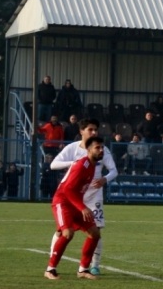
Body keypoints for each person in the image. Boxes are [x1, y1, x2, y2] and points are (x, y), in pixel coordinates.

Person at [50, 118, 119, 276]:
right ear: (81, 131)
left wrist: (104, 179)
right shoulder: (73, 149)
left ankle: (92, 266)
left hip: (93, 195)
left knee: (96, 230)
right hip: (72, 196)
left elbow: (114, 171)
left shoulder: (102, 150)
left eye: (96, 130)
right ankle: (52, 262)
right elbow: (53, 164)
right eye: (90, 129)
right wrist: (74, 163)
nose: (94, 132)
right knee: (63, 231)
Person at [44, 136, 105, 280]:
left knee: (94, 233)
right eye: (98, 147)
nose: (101, 150)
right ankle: (50, 269)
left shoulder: (91, 166)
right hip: (62, 202)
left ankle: (83, 269)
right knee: (67, 233)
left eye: (102, 147)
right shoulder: (81, 165)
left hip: (75, 203)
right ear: (89, 150)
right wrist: (83, 208)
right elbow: (68, 190)